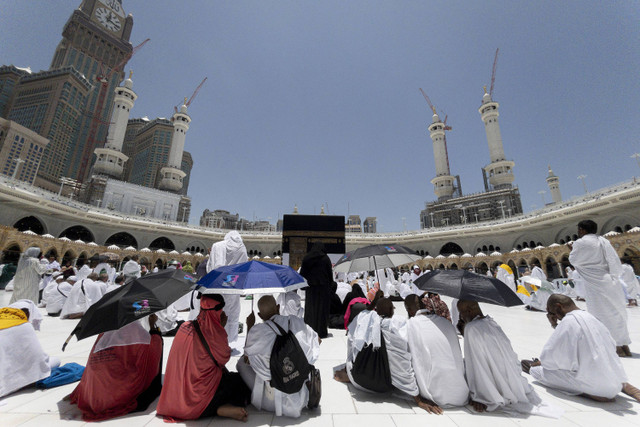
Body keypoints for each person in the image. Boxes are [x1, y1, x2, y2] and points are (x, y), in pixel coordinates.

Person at [522, 294, 640, 403]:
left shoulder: (568, 321)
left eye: (552, 313)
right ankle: (622, 384)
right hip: (614, 376)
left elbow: (551, 361)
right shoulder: (593, 318)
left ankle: (591, 392)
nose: (554, 317)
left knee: (535, 370)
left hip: (596, 386)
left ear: (559, 307)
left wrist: (554, 325)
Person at [457, 300, 561, 417]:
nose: (461, 316)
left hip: (491, 383)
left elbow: (476, 365)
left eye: (461, 313)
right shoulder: (492, 322)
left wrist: (478, 395)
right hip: (513, 378)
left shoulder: (471, 328)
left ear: (469, 311)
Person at [156, 294, 250, 421]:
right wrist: (221, 328)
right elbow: (224, 359)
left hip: (177, 396)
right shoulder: (216, 334)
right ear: (219, 311)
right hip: (200, 398)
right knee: (241, 383)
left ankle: (217, 408)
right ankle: (218, 409)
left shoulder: (185, 327)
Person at [237, 295, 319, 418]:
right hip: (300, 394)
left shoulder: (257, 331)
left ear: (260, 316)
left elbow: (246, 358)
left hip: (270, 401)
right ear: (278, 307)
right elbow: (317, 340)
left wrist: (250, 326)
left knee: (241, 363)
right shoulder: (294, 321)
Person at [69, 315, 164, 421]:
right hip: (117, 393)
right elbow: (152, 354)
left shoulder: (104, 333)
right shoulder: (137, 332)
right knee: (156, 340)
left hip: (94, 391)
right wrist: (153, 328)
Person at [568, 220, 631, 357]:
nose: (578, 232)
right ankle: (624, 344)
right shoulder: (603, 241)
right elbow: (613, 260)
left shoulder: (580, 242)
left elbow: (574, 260)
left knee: (602, 314)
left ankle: (615, 346)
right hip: (609, 280)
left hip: (595, 282)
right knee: (616, 312)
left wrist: (571, 250)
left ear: (583, 230)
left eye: (579, 229)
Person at [405, 295, 469, 408]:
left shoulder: (411, 324)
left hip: (434, 395)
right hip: (461, 394)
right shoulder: (446, 323)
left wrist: (418, 400)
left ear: (409, 310)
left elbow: (404, 361)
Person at [0, 302, 60, 397]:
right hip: (7, 380)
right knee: (56, 361)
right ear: (28, 314)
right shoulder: (24, 325)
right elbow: (39, 358)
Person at [299, 242, 333, 338]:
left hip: (311, 289)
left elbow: (302, 274)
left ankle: (310, 331)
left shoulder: (306, 259)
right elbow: (329, 275)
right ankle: (321, 332)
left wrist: (303, 286)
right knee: (322, 310)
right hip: (323, 290)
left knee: (311, 310)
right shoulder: (325, 259)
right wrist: (330, 287)